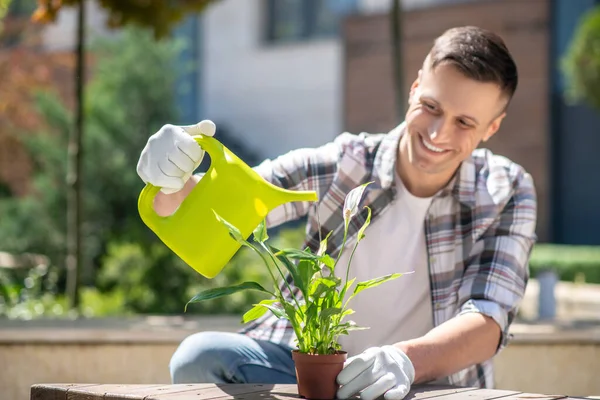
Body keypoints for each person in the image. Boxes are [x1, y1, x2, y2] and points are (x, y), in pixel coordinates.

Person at [136, 25, 537, 400]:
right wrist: (171, 178)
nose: (438, 134)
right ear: (415, 88)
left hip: (423, 388)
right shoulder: (346, 164)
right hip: (311, 379)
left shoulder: (505, 190)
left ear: (492, 128)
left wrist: (404, 361)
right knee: (201, 356)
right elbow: (221, 210)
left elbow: (487, 320)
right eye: (431, 106)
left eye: (465, 122)